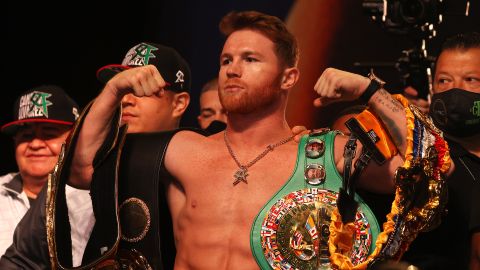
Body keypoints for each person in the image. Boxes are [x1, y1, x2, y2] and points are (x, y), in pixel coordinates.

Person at [58, 11, 449, 269]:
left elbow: (430, 170)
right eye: (226, 60)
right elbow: (82, 170)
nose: (232, 70)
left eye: (250, 59)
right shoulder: (183, 150)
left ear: (289, 77)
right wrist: (113, 91)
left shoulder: (330, 152)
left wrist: (369, 90)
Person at [0, 42, 192, 269]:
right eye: (123, 87)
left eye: (142, 86)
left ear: (179, 103)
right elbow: (20, 260)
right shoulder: (82, 170)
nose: (127, 99)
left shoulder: (202, 164)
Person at [401, 32, 480, 270]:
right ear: (432, 87)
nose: (456, 91)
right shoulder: (424, 157)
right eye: (444, 81)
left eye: (471, 79)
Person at [0, 85, 85, 257]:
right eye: (26, 135)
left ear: (74, 138)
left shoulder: (94, 198)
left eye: (49, 134)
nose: (36, 144)